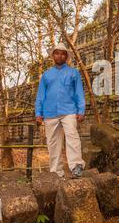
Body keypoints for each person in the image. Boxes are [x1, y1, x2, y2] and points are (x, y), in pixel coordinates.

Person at [35, 43, 86, 179]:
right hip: (49, 112)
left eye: (63, 53)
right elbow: (41, 95)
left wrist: (81, 110)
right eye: (57, 53)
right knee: (52, 143)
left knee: (72, 137)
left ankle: (76, 166)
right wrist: (38, 113)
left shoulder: (73, 73)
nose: (60, 55)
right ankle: (56, 172)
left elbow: (79, 93)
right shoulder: (46, 75)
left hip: (69, 110)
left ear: (66, 57)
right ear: (53, 56)